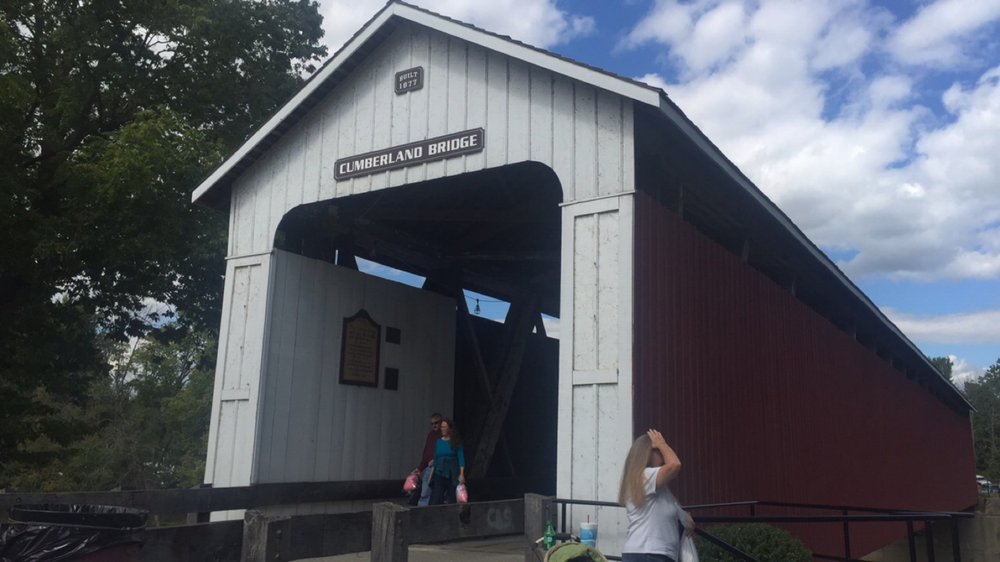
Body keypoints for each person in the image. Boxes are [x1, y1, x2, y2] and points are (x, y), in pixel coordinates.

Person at [618, 429, 695, 562]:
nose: (663, 456)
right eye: (658, 451)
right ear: (648, 454)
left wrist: (684, 517)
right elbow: (675, 465)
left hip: (649, 553)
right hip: (650, 553)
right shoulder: (645, 476)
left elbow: (672, 506)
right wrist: (662, 443)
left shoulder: (656, 486)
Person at [428, 418, 465, 505]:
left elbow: (461, 458)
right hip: (440, 472)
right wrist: (430, 476)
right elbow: (436, 459)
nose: (442, 429)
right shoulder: (439, 442)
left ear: (449, 428)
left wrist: (462, 474)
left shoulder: (455, 442)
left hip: (452, 473)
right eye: (442, 427)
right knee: (437, 498)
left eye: (444, 427)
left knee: (452, 498)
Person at [411, 413, 442, 506]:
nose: (434, 425)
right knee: (425, 493)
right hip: (430, 468)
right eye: (432, 424)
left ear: (441, 422)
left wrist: (436, 460)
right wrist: (420, 468)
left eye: (436, 423)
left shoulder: (446, 436)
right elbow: (426, 454)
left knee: (439, 494)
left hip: (441, 469)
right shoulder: (431, 435)